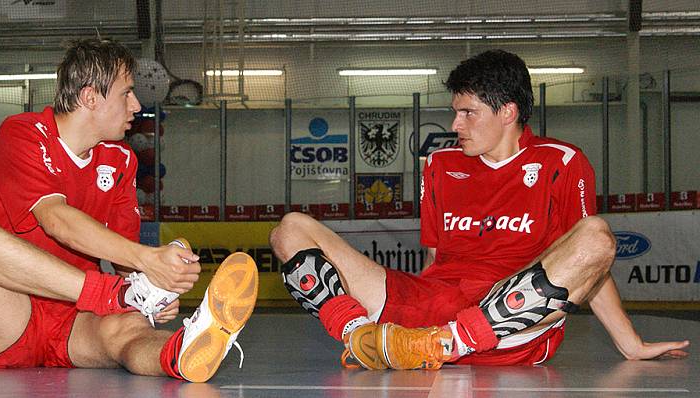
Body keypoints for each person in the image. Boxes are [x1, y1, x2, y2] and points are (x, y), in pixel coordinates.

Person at [269, 49, 689, 370]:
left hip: (504, 326)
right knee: (290, 228)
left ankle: (446, 344)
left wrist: (629, 342)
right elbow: (434, 258)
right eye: (455, 112)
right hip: (427, 311)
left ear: (508, 112)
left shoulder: (560, 162)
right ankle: (363, 338)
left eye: (468, 113)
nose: (455, 125)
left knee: (596, 234)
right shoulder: (439, 165)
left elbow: (588, 266)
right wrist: (408, 311)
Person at [0, 38, 258, 383]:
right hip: (5, 313)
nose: (136, 105)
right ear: (90, 98)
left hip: (75, 321)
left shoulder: (121, 160)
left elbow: (121, 255)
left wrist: (154, 281)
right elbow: (55, 219)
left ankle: (179, 351)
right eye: (126, 93)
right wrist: (138, 271)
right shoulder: (23, 133)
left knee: (129, 329)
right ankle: (121, 297)